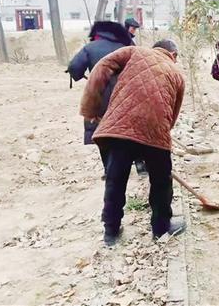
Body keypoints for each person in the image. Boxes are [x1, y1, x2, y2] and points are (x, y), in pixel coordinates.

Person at [80, 39, 185, 245]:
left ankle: (111, 232)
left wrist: (90, 109)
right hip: (155, 131)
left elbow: (102, 66)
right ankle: (161, 228)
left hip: (120, 127)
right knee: (161, 181)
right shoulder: (177, 74)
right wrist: (158, 136)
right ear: (174, 55)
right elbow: (173, 115)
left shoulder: (134, 52)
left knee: (115, 180)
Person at [67, 21, 145, 177]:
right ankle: (140, 165)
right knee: (133, 129)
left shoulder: (90, 48)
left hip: (100, 97)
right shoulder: (127, 46)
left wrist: (81, 75)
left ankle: (109, 169)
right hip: (126, 95)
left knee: (102, 132)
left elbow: (74, 68)